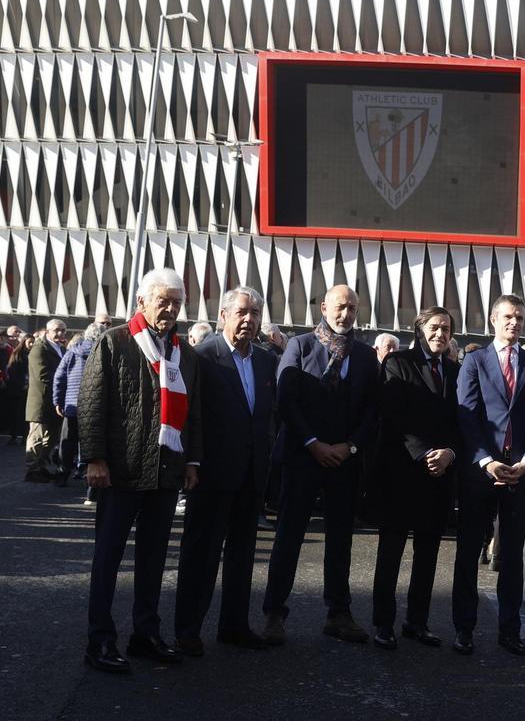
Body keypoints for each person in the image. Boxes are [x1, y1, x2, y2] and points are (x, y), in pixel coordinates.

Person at [78, 268, 203, 674]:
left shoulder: (185, 352)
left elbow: (194, 414)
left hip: (166, 471)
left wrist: (192, 461)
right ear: (142, 302)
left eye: (176, 302)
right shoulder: (114, 342)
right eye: (162, 300)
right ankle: (100, 640)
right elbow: (93, 401)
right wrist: (95, 458)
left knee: (153, 558)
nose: (169, 309)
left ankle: (145, 633)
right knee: (108, 558)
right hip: (122, 469)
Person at [261, 285, 379, 645]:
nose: (346, 315)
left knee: (341, 540)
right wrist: (313, 444)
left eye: (353, 309)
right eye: (340, 307)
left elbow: (372, 409)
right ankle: (274, 614)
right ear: (324, 307)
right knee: (289, 536)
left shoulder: (364, 356)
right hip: (303, 457)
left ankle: (339, 614)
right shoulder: (300, 346)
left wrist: (350, 446)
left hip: (345, 460)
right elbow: (286, 400)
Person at [173, 287, 277, 656]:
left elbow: (267, 418)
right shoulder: (203, 356)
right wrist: (192, 463)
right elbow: (190, 417)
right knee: (201, 553)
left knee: (242, 554)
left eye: (255, 314)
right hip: (211, 474)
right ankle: (187, 629)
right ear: (223, 315)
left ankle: (234, 625)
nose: (249, 320)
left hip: (251, 475)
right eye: (242, 312)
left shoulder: (266, 361)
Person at [453, 294, 525, 657]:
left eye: (520, 318)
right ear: (493, 319)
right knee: (467, 553)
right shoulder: (474, 361)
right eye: (508, 316)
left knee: (512, 556)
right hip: (481, 472)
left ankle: (510, 630)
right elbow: (467, 415)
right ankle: (464, 629)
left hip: (520, 473)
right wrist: (484, 461)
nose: (514, 323)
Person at [371, 307, 460, 651]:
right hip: (402, 473)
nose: (441, 334)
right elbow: (394, 416)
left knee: (428, 554)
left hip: (439, 477)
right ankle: (383, 623)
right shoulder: (397, 363)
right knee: (390, 552)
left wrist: (450, 452)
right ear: (420, 329)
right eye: (435, 327)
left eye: (447, 329)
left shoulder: (455, 371)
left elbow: (460, 421)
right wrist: (425, 452)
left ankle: (417, 622)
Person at [53, 323, 105, 486]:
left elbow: (59, 377)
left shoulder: (72, 352)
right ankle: (86, 470)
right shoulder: (104, 352)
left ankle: (63, 472)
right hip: (94, 406)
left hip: (72, 405)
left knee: (67, 441)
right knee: (91, 440)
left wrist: (58, 401)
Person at [25, 318, 67, 482]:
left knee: (51, 437)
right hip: (41, 401)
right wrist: (63, 384)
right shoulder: (39, 348)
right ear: (47, 331)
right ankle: (31, 469)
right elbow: (43, 376)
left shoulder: (61, 348)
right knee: (37, 437)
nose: (60, 333)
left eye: (63, 330)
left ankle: (40, 466)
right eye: (56, 330)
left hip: (54, 401)